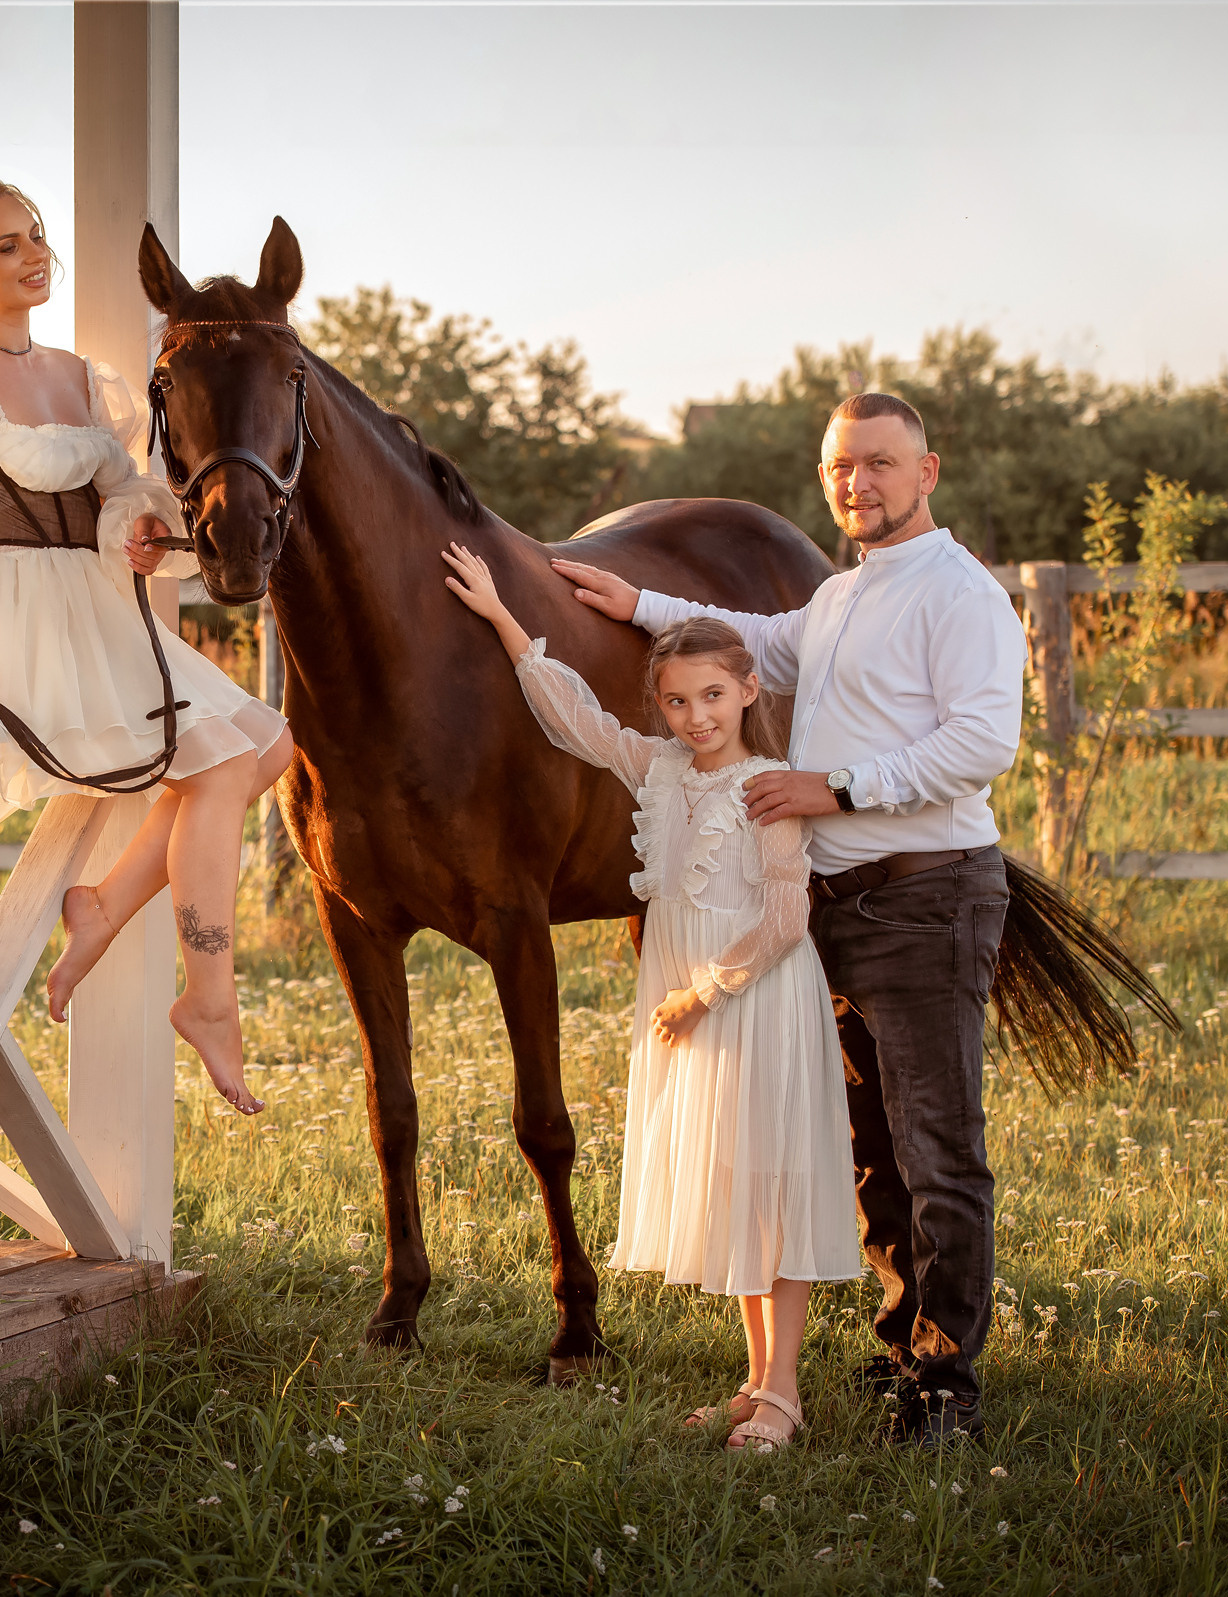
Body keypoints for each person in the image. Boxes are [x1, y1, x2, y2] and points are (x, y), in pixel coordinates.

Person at [553, 392, 1027, 1447]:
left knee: (937, 1147)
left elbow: (982, 743)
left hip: (927, 894)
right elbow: (762, 640)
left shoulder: (962, 595)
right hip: (835, 907)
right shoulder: (844, 595)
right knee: (872, 1150)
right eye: (840, 467)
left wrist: (835, 787)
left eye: (879, 462)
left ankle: (947, 1385)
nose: (858, 482)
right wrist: (637, 602)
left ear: (926, 472)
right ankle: (901, 1345)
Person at [0, 162, 291, 1116]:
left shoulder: (86, 378)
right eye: (6, 246)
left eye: (37, 235)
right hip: (5, 626)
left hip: (95, 614)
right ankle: (210, 1000)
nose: (34, 256)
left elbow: (122, 500)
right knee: (219, 762)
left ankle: (105, 906)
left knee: (268, 744)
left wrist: (135, 530)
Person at [440, 542, 863, 1452]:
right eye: (676, 701)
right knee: (737, 1184)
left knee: (774, 1187)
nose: (696, 716)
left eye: (712, 696)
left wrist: (702, 992)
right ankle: (753, 1379)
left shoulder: (769, 789)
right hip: (697, 1008)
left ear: (748, 688)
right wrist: (503, 617)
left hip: (753, 999)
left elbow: (786, 919)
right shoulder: (661, 769)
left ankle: (785, 1392)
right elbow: (575, 718)